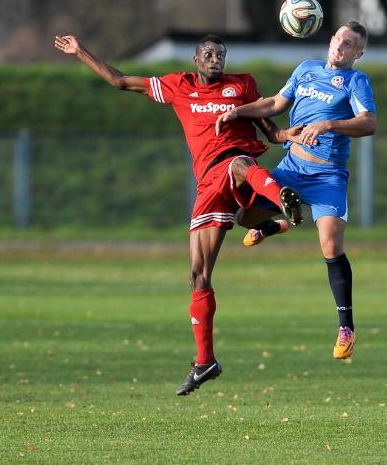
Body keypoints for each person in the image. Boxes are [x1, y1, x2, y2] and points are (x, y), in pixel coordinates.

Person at [54, 34, 304, 396]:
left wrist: (290, 135)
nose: (215, 58)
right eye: (209, 53)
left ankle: (279, 198)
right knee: (198, 276)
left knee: (239, 164)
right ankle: (205, 362)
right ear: (195, 59)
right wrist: (80, 52)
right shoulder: (179, 86)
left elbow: (272, 131)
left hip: (239, 166)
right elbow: (120, 81)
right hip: (209, 185)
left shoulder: (242, 85)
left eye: (220, 54)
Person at [215, 21, 377, 360]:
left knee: (331, 246)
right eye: (338, 39)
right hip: (291, 169)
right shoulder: (306, 69)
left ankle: (346, 328)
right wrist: (237, 112)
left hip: (328, 176)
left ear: (358, 53)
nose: (340, 46)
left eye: (349, 44)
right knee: (244, 218)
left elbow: (369, 122)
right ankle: (277, 222)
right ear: (330, 40)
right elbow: (275, 104)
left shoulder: (356, 81)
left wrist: (330, 124)